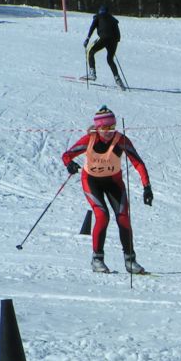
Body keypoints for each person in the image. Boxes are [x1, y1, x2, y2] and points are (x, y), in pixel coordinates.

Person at [62, 106, 153, 274]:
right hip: (91, 182)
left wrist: (147, 187)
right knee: (102, 216)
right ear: (97, 127)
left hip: (114, 183)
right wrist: (70, 164)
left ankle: (130, 261)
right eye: (104, 128)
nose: (109, 131)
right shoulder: (89, 139)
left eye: (112, 126)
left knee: (124, 218)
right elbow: (66, 155)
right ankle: (97, 259)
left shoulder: (120, 140)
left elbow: (138, 163)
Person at [83, 5, 125, 90]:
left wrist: (87, 39)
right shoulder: (113, 19)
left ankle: (92, 73)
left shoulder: (98, 16)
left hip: (104, 38)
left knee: (90, 52)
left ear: (99, 11)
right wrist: (114, 43)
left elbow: (92, 27)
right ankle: (118, 80)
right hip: (114, 40)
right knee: (110, 59)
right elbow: (118, 34)